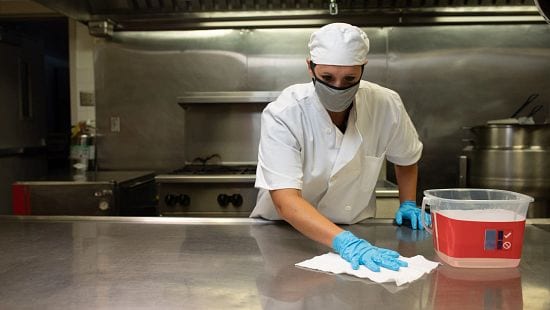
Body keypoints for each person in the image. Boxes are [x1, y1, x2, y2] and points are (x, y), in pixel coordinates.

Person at [250, 23, 431, 272]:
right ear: (310, 67)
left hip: (354, 228)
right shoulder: (285, 113)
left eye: (349, 79)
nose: (337, 87)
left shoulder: (385, 104)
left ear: (362, 69)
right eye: (327, 78)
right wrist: (348, 244)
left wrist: (407, 203)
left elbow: (406, 157)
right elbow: (286, 201)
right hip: (286, 234)